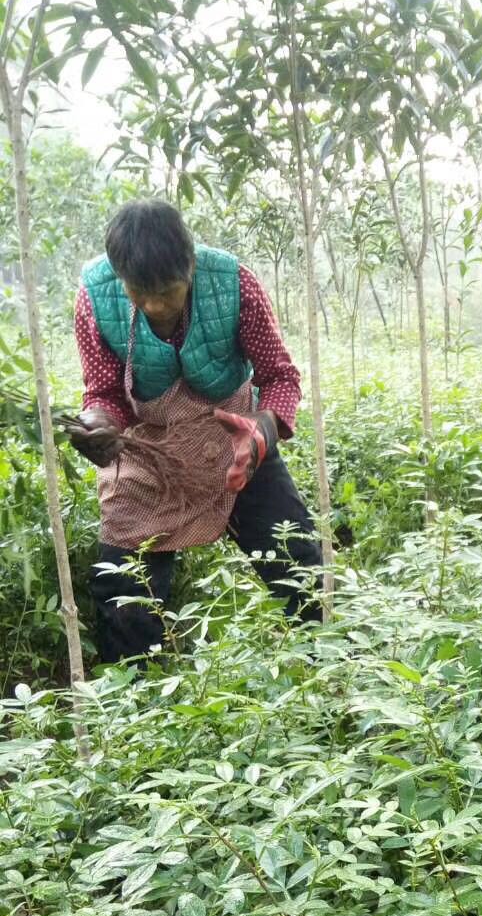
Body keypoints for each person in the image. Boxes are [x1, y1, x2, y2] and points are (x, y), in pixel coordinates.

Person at [67, 199, 321, 664]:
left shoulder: (234, 283)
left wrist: (261, 432)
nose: (154, 305)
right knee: (124, 590)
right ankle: (135, 700)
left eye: (167, 291)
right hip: (149, 452)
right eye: (139, 293)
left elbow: (280, 377)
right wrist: (99, 426)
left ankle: (332, 669)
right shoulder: (94, 295)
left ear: (191, 266)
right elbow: (102, 391)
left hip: (235, 441)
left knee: (300, 562)